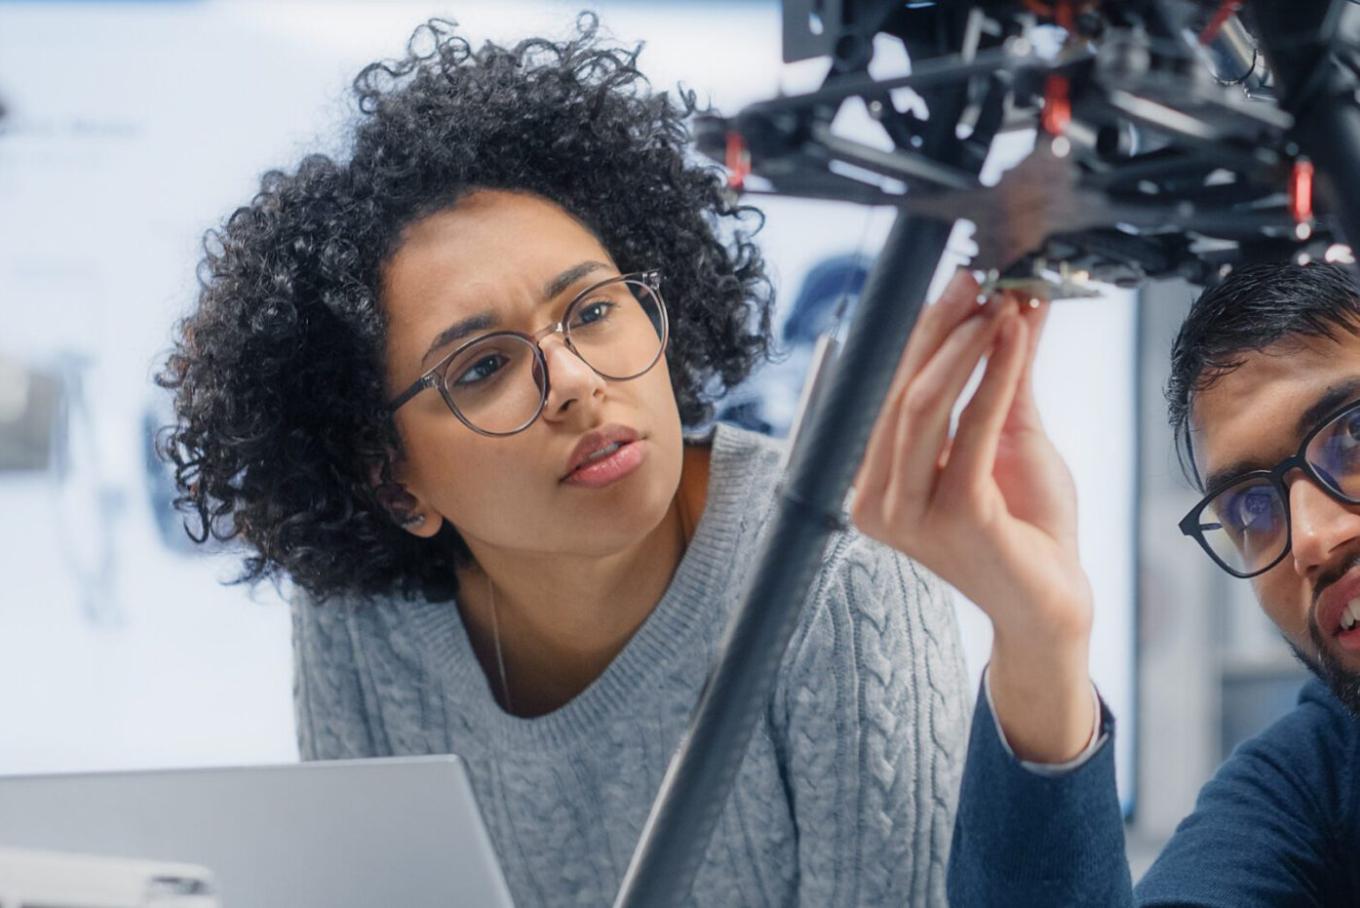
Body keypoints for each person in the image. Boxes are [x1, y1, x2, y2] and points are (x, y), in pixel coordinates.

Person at [157, 16, 971, 907]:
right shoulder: (360, 622)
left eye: (590, 310)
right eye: (483, 366)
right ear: (394, 483)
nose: (577, 384)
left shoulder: (842, 579)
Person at [856, 259, 1360, 904]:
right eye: (1252, 509)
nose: (1312, 538)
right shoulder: (1306, 786)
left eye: (1355, 436)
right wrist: (1039, 637)